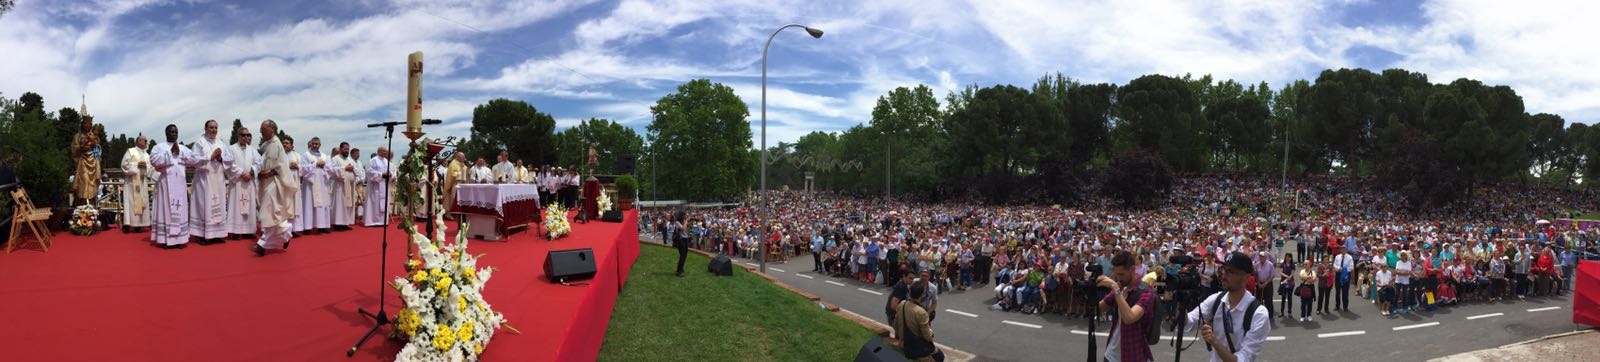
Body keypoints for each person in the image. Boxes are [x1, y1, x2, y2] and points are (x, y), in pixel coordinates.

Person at [1183, 251, 1270, 362]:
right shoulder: (1217, 299)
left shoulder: (1258, 314)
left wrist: (1214, 342)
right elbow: (1188, 321)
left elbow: (1242, 359)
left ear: (1246, 278)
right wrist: (1179, 300)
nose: (1224, 275)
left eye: (1231, 271)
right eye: (1224, 269)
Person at [1098, 250, 1154, 362]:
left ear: (1132, 269)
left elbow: (1129, 318)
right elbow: (1101, 307)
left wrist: (1115, 289)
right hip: (1111, 354)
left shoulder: (1146, 292)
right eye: (1116, 274)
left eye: (1122, 274)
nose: (1119, 278)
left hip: (1133, 354)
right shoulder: (1120, 286)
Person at [150, 124, 199, 249]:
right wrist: (170, 154)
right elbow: (154, 161)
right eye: (171, 132)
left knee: (180, 211)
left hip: (180, 185)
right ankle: (166, 239)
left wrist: (181, 154)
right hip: (166, 184)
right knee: (166, 210)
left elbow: (193, 160)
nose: (174, 134)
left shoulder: (183, 148)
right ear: (166, 133)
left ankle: (180, 239)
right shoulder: (159, 147)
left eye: (176, 132)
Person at [254, 120, 298, 256]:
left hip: (274, 183)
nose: (260, 132)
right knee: (273, 213)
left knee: (269, 211)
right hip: (267, 182)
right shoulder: (267, 145)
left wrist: (270, 172)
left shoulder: (276, 144)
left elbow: (282, 166)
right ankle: (286, 234)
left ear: (272, 130)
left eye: (263, 129)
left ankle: (263, 243)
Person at [189, 120, 234, 244]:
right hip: (204, 181)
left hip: (218, 179)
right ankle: (202, 235)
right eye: (211, 127)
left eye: (215, 128)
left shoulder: (221, 143)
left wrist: (221, 158)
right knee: (204, 205)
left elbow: (230, 159)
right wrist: (210, 157)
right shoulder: (199, 143)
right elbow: (193, 160)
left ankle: (217, 234)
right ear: (205, 129)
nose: (214, 130)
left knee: (218, 204)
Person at [893, 281, 944, 362]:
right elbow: (927, 336)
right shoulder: (921, 312)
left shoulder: (902, 304)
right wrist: (931, 332)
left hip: (904, 343)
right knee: (940, 357)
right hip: (916, 348)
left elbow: (895, 325)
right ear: (922, 295)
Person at [224, 128, 260, 240]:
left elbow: (259, 163)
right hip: (238, 182)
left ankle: (249, 231)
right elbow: (228, 164)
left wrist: (251, 172)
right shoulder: (231, 148)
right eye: (243, 135)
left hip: (249, 182)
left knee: (250, 207)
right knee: (236, 206)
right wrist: (241, 173)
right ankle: (236, 231)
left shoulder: (253, 150)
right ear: (238, 136)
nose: (245, 137)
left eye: (247, 135)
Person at [119, 135, 153, 233]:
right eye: (144, 140)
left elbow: (151, 167)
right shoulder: (131, 151)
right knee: (131, 203)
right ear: (138, 141)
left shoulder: (147, 155)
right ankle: (128, 224)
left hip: (142, 182)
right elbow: (124, 165)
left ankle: (139, 224)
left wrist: (146, 166)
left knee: (142, 202)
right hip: (131, 182)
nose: (146, 142)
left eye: (146, 140)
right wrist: (136, 165)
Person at [300, 137, 333, 234]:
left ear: (320, 145)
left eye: (317, 144)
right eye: (313, 143)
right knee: (308, 204)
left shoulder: (324, 156)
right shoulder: (305, 155)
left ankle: (322, 226)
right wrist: (315, 164)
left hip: (322, 184)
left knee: (323, 204)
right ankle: (307, 227)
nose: (315, 145)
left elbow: (330, 169)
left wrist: (324, 166)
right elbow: (302, 169)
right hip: (310, 184)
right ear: (310, 144)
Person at [70, 115, 100, 206]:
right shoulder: (77, 136)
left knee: (92, 184)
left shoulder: (94, 135)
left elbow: (99, 148)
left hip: (93, 162)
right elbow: (74, 149)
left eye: (89, 124)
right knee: (84, 182)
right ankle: (81, 206)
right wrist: (82, 148)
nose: (87, 125)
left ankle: (91, 206)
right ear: (82, 124)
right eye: (85, 123)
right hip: (83, 161)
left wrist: (95, 145)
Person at [364, 147, 392, 227]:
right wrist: (381, 174)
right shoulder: (373, 160)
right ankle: (372, 221)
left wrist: (390, 174)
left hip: (385, 185)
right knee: (374, 203)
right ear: (378, 151)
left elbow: (390, 171)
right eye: (383, 151)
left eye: (386, 152)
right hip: (375, 187)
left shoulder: (387, 161)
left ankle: (383, 221)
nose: (385, 153)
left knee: (384, 202)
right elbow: (369, 172)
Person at [1333, 245, 1355, 311]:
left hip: (1345, 275)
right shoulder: (1337, 256)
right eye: (1341, 249)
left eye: (1344, 249)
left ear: (1346, 250)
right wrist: (1338, 268)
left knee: (1345, 292)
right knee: (1337, 291)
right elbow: (1335, 264)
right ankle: (1337, 306)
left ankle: (1345, 307)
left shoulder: (1350, 257)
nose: (1343, 250)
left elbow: (1351, 267)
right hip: (1338, 274)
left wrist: (1343, 269)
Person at [667, 211, 688, 277]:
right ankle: (679, 271)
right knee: (682, 256)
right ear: (682, 216)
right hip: (681, 240)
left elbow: (686, 229)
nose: (686, 216)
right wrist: (686, 221)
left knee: (685, 256)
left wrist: (686, 222)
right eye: (685, 215)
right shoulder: (677, 222)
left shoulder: (682, 222)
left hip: (685, 239)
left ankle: (681, 269)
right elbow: (683, 228)